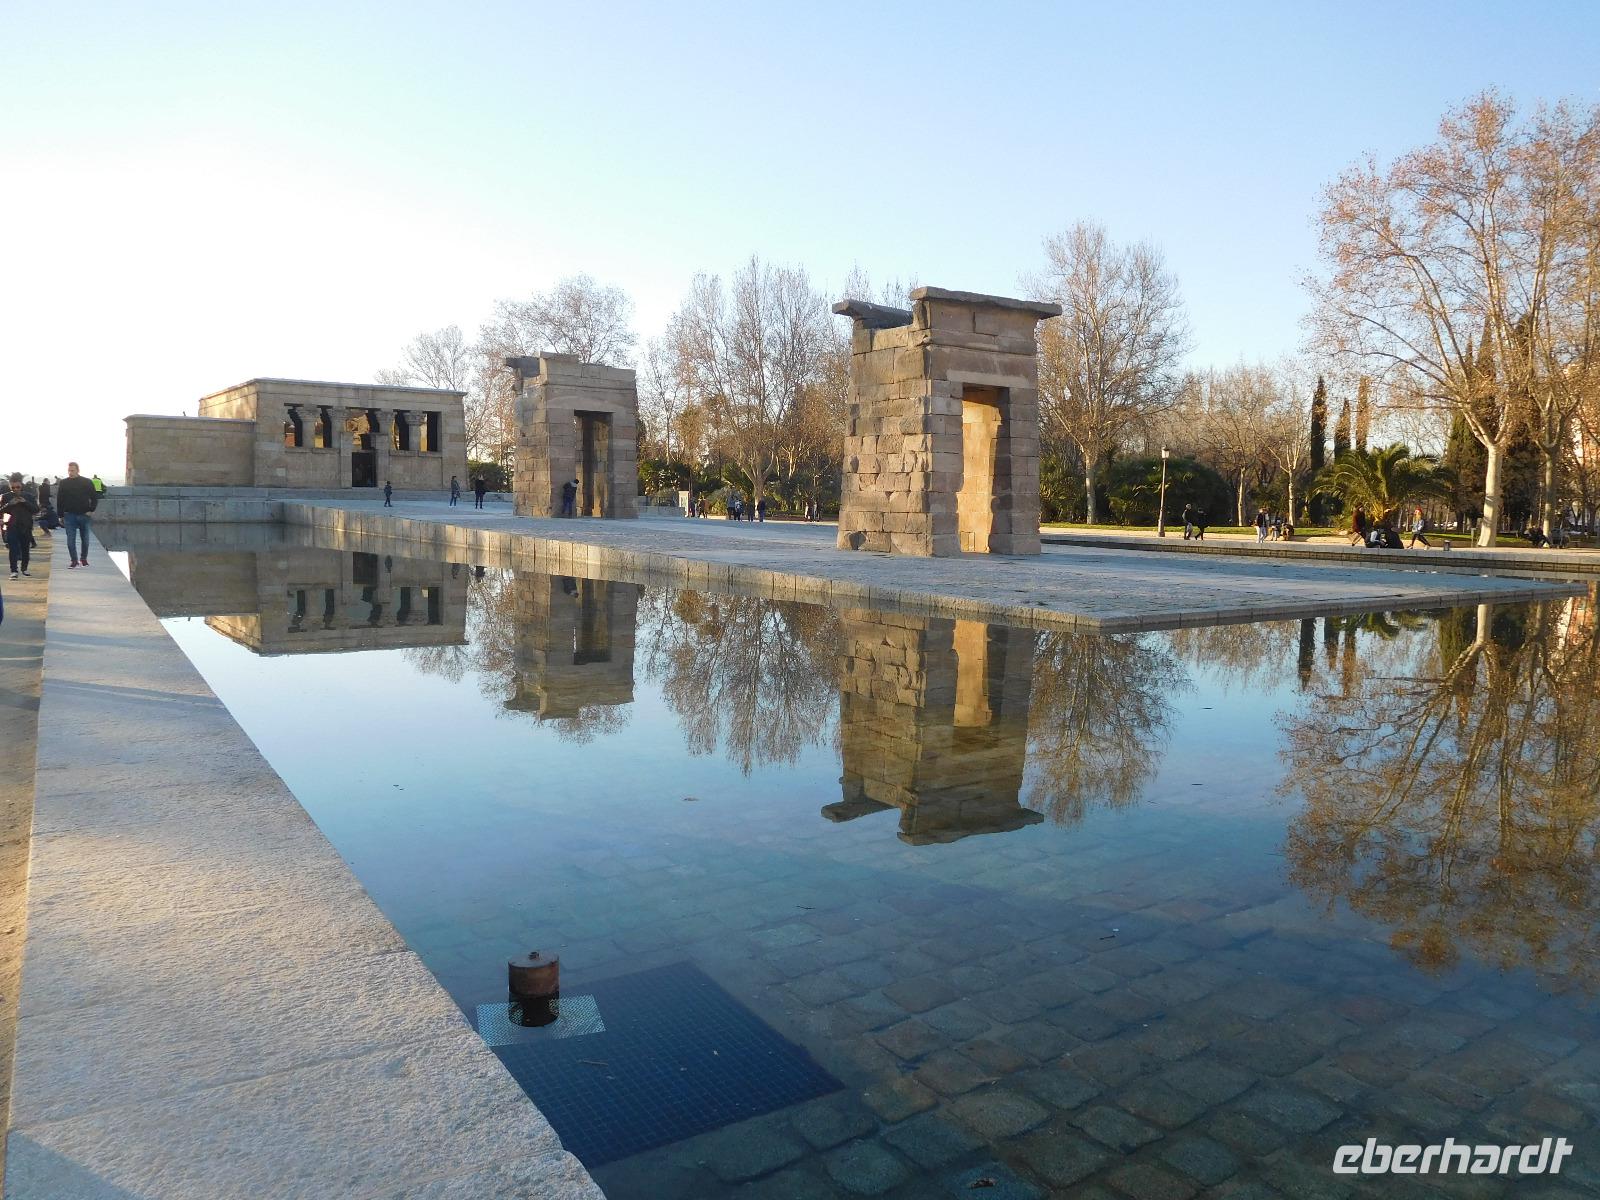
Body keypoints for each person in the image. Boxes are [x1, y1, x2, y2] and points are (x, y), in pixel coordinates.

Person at [56, 462, 97, 568]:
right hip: (69, 515)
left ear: (78, 470)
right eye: (69, 470)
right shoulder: (64, 483)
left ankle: (83, 559)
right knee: (70, 540)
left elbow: (94, 497)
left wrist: (91, 510)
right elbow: (60, 499)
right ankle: (74, 560)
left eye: (72, 470)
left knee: (85, 539)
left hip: (84, 514)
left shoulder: (87, 482)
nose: (70, 472)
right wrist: (60, 515)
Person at [2, 481, 39, 579]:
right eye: (13, 488)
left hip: (25, 526)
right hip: (11, 526)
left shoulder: (29, 496)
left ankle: (24, 569)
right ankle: (13, 571)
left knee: (25, 549)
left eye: (17, 487)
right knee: (13, 549)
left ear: (21, 486)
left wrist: (25, 502)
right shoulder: (6, 496)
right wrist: (9, 504)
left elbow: (36, 509)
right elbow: (1, 510)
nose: (15, 489)